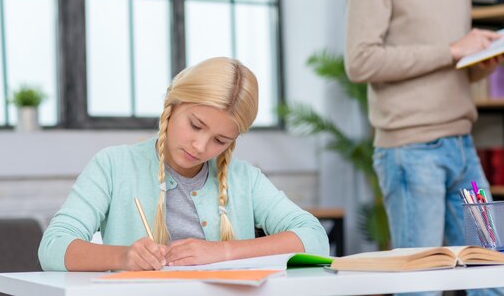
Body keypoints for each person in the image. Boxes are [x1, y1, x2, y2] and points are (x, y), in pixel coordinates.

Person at [345, 0, 504, 295]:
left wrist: (479, 63)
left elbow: (452, 65)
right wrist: (453, 49)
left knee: (496, 274)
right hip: (410, 153)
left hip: (463, 150)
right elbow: (360, 61)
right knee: (422, 284)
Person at [38, 57, 329, 271]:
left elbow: (314, 238)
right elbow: (53, 246)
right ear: (172, 104)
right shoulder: (114, 166)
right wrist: (124, 257)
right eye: (195, 125)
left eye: (220, 140)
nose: (201, 147)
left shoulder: (245, 179)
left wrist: (222, 251)